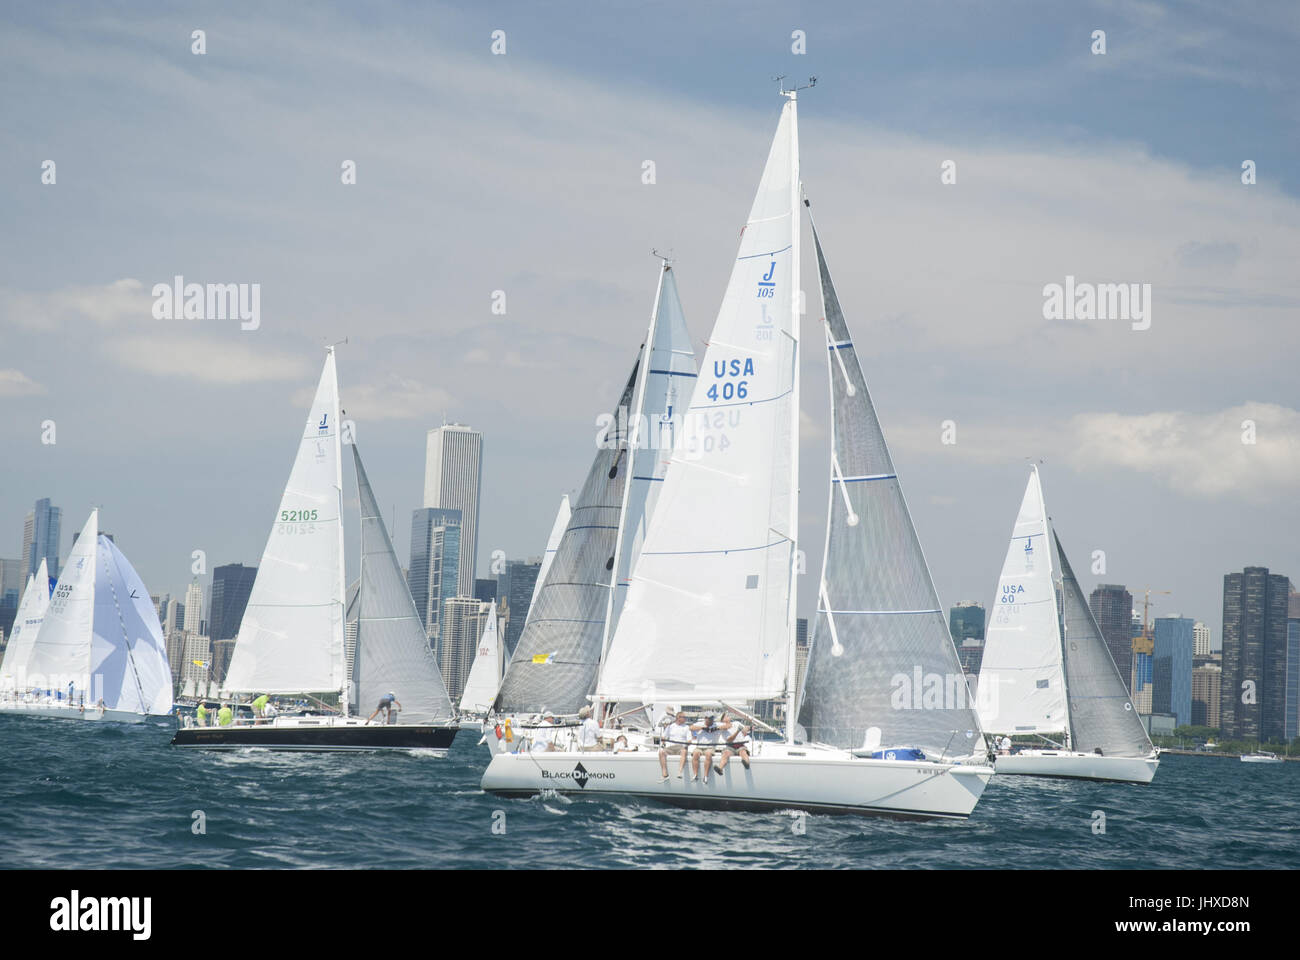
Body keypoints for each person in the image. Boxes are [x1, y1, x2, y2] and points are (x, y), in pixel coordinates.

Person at [658, 711, 693, 782]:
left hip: (681, 747)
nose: (685, 719)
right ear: (678, 718)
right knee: (661, 752)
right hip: (671, 747)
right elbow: (664, 736)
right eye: (684, 717)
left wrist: (688, 743)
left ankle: (679, 772)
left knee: (684, 751)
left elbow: (689, 740)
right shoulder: (670, 727)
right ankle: (664, 774)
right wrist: (663, 739)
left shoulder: (686, 727)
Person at [691, 714, 722, 783]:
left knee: (708, 754)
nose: (710, 720)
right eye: (708, 718)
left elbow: (727, 726)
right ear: (705, 718)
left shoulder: (716, 724)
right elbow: (691, 727)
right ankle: (695, 774)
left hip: (710, 747)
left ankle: (705, 776)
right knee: (695, 753)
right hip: (699, 746)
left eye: (711, 719)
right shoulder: (700, 724)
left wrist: (716, 729)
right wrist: (702, 728)